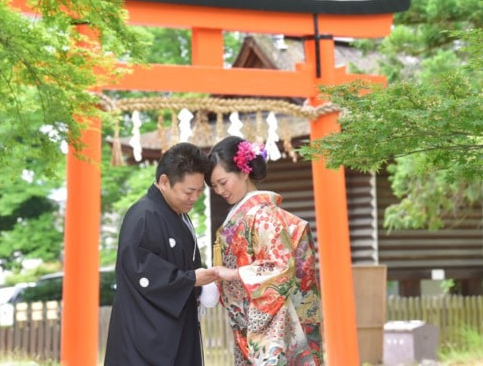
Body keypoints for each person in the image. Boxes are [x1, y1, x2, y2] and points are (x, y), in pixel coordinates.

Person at [207, 136, 323, 365]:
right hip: (247, 322)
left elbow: (280, 265)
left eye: (223, 182)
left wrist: (233, 274)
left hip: (269, 323)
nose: (220, 191)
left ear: (243, 171)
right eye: (214, 186)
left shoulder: (262, 214)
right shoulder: (246, 214)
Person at [104, 142, 218, 366]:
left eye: (198, 191)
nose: (194, 198)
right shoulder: (143, 216)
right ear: (164, 182)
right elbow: (142, 272)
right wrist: (191, 279)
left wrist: (199, 282)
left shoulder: (177, 214)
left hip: (177, 327)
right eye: (188, 191)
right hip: (146, 338)